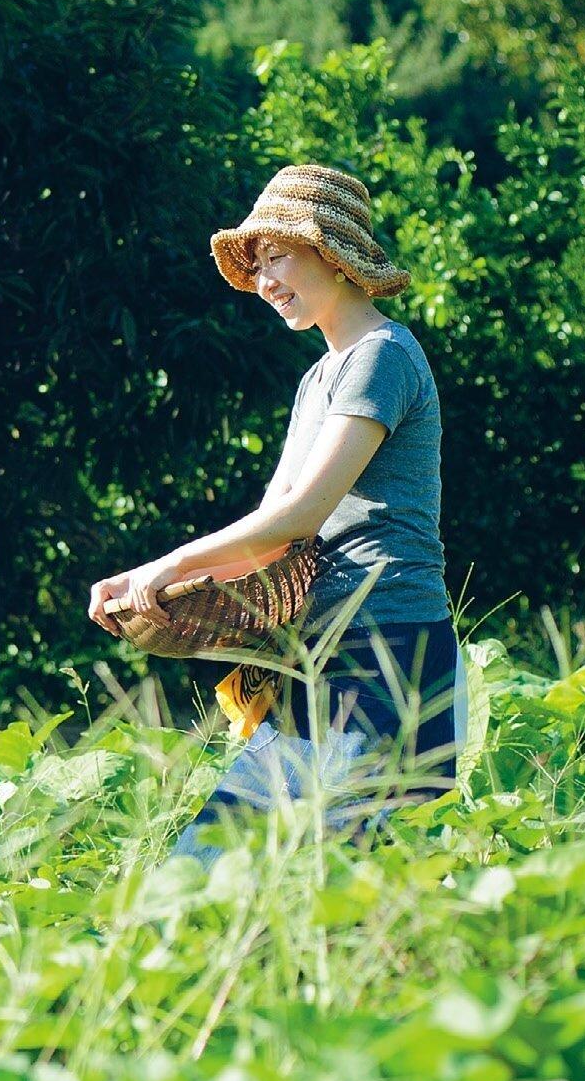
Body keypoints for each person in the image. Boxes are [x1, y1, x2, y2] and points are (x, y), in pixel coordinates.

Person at [86, 164, 460, 858]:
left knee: (356, 878)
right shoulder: (318, 377)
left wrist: (167, 562)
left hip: (391, 649)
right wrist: (146, 582)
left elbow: (301, 517)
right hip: (317, 656)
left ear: (336, 257)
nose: (264, 281)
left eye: (277, 255)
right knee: (202, 866)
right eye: (256, 265)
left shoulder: (384, 355)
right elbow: (269, 533)